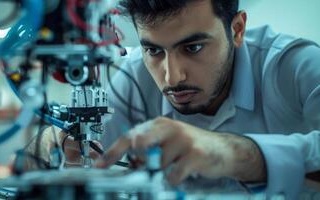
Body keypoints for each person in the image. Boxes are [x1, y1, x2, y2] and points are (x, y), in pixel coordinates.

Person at [39, 0, 320, 199]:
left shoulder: (295, 65)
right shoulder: (135, 75)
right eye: (153, 50)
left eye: (193, 47)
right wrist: (49, 144)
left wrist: (235, 153)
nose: (172, 77)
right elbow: (82, 149)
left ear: (237, 29)